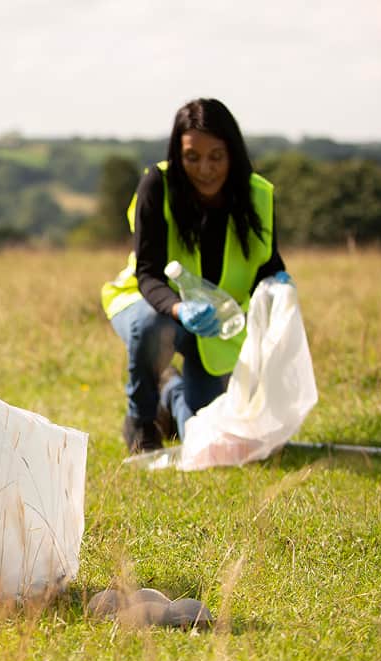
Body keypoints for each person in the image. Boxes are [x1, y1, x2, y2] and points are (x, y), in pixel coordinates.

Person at [100, 98, 291, 453]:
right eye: (192, 157)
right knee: (153, 326)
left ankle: (172, 394)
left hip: (216, 324)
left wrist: (279, 282)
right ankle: (141, 423)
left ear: (232, 153)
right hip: (152, 305)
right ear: (178, 153)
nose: (205, 169)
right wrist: (179, 310)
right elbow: (148, 274)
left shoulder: (258, 195)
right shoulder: (157, 185)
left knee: (207, 440)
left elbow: (268, 264)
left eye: (216, 156)